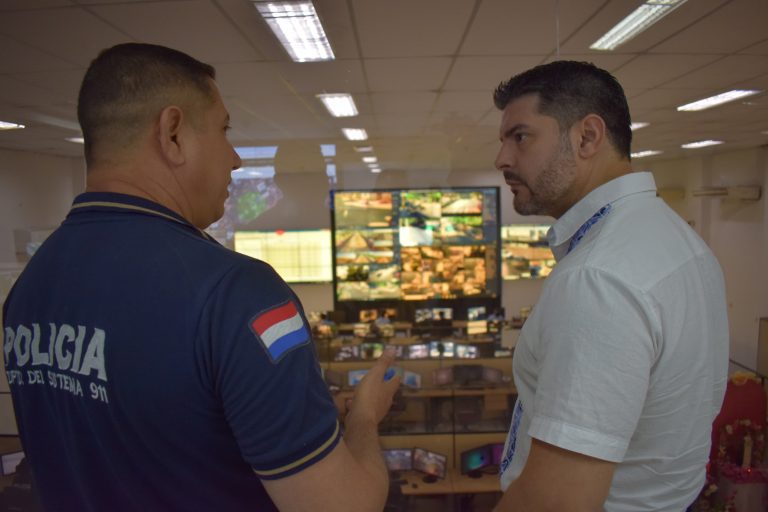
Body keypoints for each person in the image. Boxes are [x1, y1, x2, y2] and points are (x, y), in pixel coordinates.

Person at [2, 43, 399, 512]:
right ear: (172, 134)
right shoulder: (240, 294)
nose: (235, 158)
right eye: (224, 130)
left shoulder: (30, 286)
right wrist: (366, 417)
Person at [491, 61, 729, 511]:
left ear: (587, 137)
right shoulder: (678, 239)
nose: (501, 158)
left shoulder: (597, 279)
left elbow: (558, 503)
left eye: (520, 137)